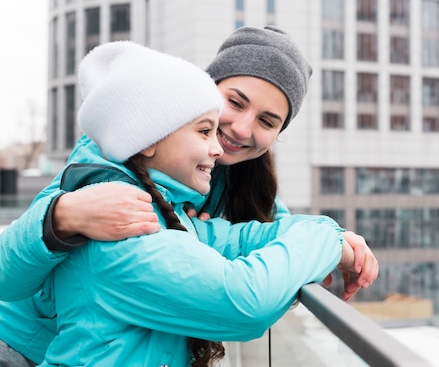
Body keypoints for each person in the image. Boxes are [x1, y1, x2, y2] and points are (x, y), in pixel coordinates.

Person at [0, 28, 377, 365]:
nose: (240, 129)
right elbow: (243, 299)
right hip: (20, 342)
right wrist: (60, 216)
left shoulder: (238, 188)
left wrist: (334, 239)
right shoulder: (110, 163)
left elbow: (252, 236)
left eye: (267, 121)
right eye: (235, 102)